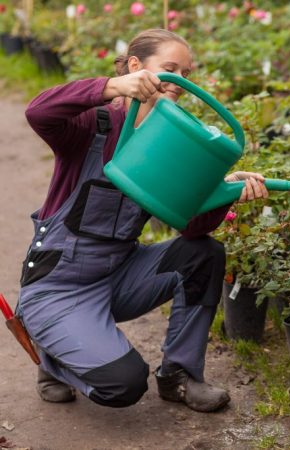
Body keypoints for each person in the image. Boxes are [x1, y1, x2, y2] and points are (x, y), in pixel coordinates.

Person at [17, 28, 268, 412]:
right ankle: (53, 354)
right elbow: (38, 111)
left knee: (203, 253)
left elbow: (193, 228)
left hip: (119, 275)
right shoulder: (92, 124)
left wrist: (224, 190)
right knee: (123, 385)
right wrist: (111, 87)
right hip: (59, 286)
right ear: (137, 66)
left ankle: (180, 377)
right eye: (172, 69)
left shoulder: (170, 141)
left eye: (187, 72)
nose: (181, 82)